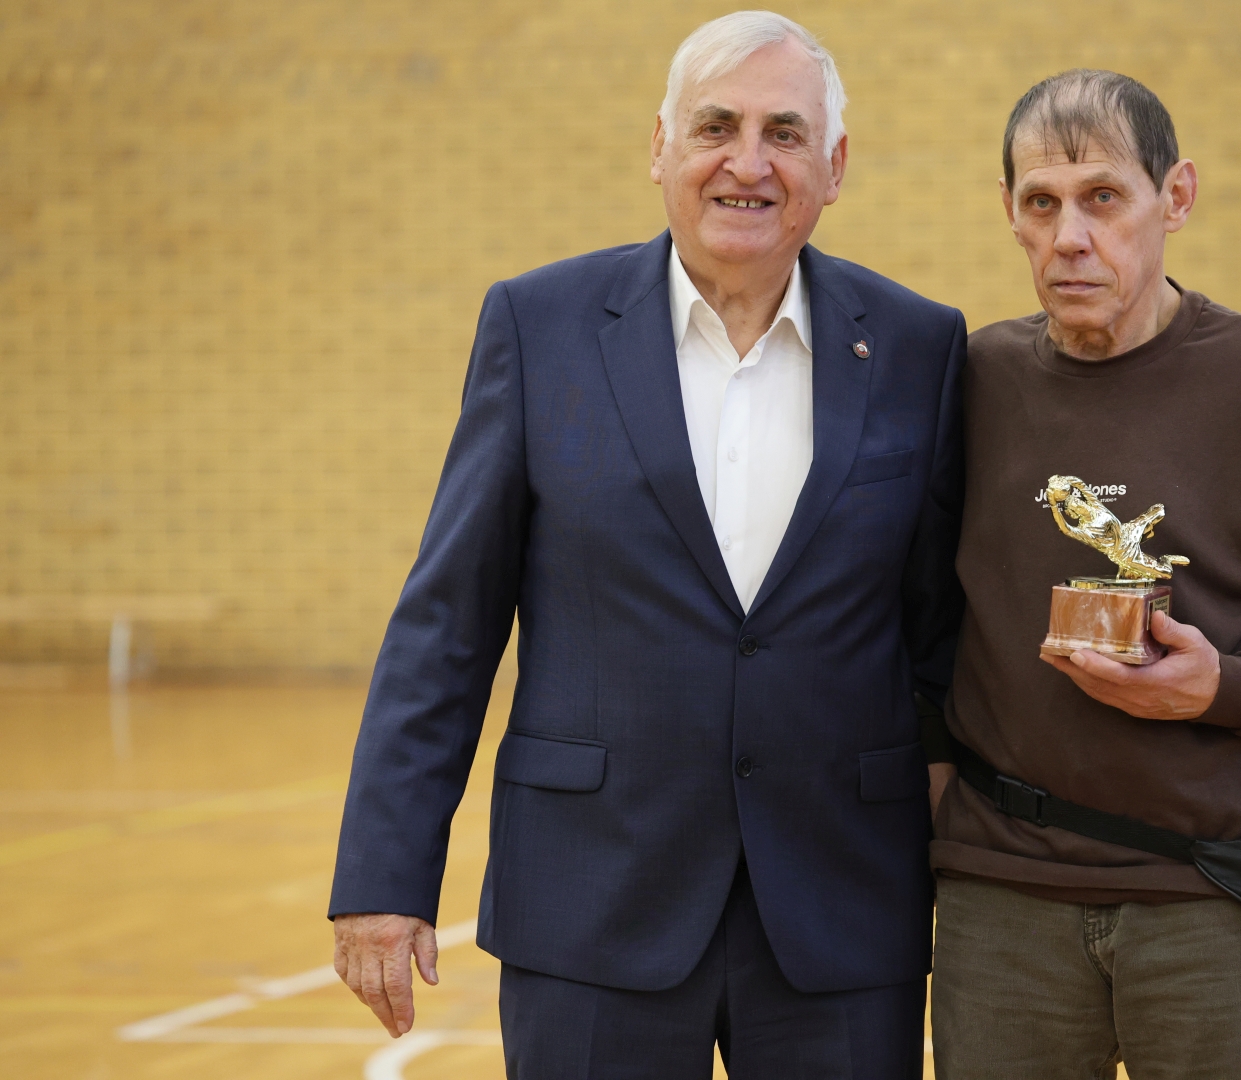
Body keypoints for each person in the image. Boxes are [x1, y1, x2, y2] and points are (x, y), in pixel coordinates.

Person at [327, 12, 965, 1078]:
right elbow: (448, 623)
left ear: (836, 165)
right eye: (716, 127)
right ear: (660, 148)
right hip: (591, 902)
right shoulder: (539, 326)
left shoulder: (918, 345)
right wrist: (384, 878)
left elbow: (942, 639)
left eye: (785, 133)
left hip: (841, 910)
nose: (748, 163)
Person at [922, 69, 1241, 1079]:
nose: (1071, 236)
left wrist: (1227, 688)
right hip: (1002, 902)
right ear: (1010, 214)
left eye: (1103, 198)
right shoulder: (971, 385)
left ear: (1177, 197)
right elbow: (914, 618)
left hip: (1214, 902)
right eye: (1043, 203)